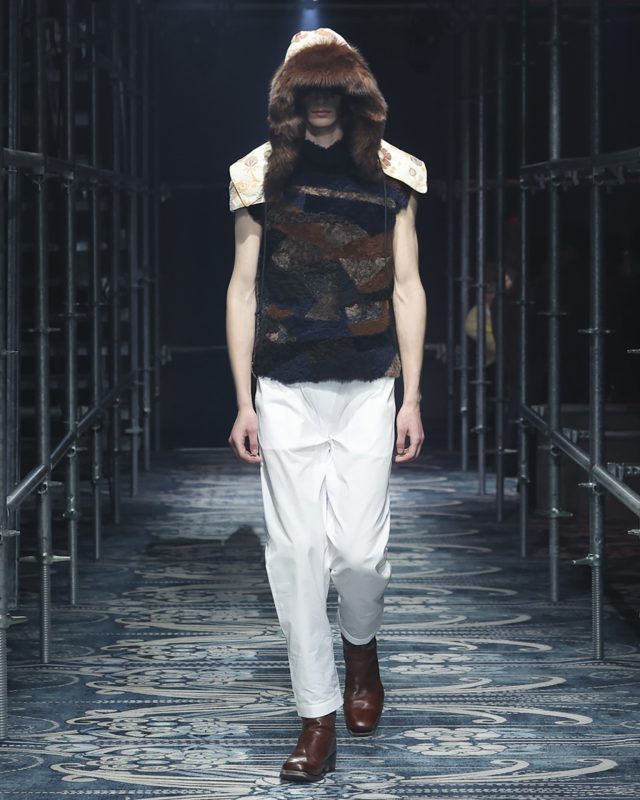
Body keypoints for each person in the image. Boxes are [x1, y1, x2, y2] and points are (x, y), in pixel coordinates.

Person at [225, 28, 427, 782]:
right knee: (296, 553)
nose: (320, 101)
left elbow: (408, 285)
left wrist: (413, 397)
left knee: (360, 555)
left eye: (332, 87)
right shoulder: (257, 174)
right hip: (284, 388)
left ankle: (361, 651)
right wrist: (243, 400)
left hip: (370, 385)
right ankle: (316, 717)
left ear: (353, 91)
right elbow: (242, 289)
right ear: (290, 95)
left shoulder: (394, 173)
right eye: (306, 89)